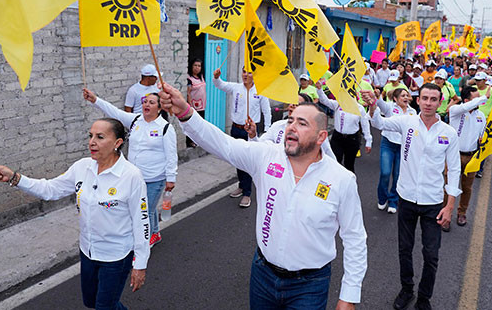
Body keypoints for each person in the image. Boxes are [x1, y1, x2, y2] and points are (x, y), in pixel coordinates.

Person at [159, 85, 368, 310]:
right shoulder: (267, 156)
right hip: (263, 275)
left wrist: (349, 295)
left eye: (302, 123)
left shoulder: (341, 179)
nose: (291, 127)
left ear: (321, 137)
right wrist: (185, 113)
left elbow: (354, 238)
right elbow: (222, 144)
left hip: (309, 285)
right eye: (290, 120)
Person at [0, 118, 149, 309]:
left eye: (100, 137)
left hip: (116, 257)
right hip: (88, 251)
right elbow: (50, 189)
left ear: (117, 143)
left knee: (104, 306)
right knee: (91, 302)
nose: (92, 142)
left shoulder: (131, 176)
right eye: (90, 136)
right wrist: (15, 177)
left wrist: (140, 263)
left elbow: (142, 221)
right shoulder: (82, 167)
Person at [362, 84, 461, 310]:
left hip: (433, 202)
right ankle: (407, 290)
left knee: (431, 254)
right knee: (404, 249)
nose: (428, 103)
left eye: (433, 99)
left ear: (439, 103)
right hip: (406, 198)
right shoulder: (406, 122)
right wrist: (372, 105)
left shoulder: (448, 132)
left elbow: (454, 170)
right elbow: (379, 123)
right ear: (418, 101)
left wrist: (450, 205)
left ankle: (424, 298)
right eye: (424, 98)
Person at [83, 89, 177, 247]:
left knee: (143, 211)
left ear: (159, 108)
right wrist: (95, 99)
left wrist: (171, 178)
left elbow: (171, 154)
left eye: (151, 102)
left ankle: (144, 242)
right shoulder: (135, 121)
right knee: (148, 208)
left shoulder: (165, 128)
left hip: (155, 178)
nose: (146, 104)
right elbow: (114, 112)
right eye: (145, 101)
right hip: (134, 178)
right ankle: (154, 232)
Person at [214, 68, 272, 208]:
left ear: (255, 75)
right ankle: (241, 185)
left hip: (250, 131)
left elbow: (266, 111)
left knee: (248, 161)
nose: (246, 75)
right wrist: (216, 78)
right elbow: (220, 85)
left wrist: (267, 130)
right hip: (236, 129)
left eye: (250, 72)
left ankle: (247, 193)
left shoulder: (260, 91)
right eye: (244, 72)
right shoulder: (236, 88)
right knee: (237, 160)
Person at [448, 86, 489, 227]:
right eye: (476, 98)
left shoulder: (481, 116)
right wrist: (484, 97)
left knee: (467, 188)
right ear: (466, 100)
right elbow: (466, 107)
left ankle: (462, 213)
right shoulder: (455, 111)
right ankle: (445, 213)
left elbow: (483, 135)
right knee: (449, 187)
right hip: (454, 156)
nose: (479, 101)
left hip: (471, 158)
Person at [374, 88, 416, 214]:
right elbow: (380, 103)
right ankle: (382, 197)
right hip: (388, 144)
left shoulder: (412, 112)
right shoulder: (390, 108)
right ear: (396, 99)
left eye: (407, 95)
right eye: (403, 96)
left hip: (403, 147)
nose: (406, 98)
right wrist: (377, 96)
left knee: (398, 175)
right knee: (385, 173)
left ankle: (393, 200)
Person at [315, 87, 372, 173]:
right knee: (335, 162)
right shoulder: (338, 104)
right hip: (337, 138)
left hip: (352, 139)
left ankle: (349, 184)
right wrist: (319, 89)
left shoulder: (359, 108)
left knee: (349, 164)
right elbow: (324, 101)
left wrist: (368, 141)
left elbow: (365, 125)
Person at [187, 58, 206, 147]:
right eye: (195, 65)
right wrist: (190, 106)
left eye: (199, 66)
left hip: (202, 105)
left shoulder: (201, 76)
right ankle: (191, 141)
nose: (197, 68)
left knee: (200, 124)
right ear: (191, 66)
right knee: (192, 125)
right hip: (193, 106)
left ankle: (199, 141)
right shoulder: (189, 78)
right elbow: (188, 93)